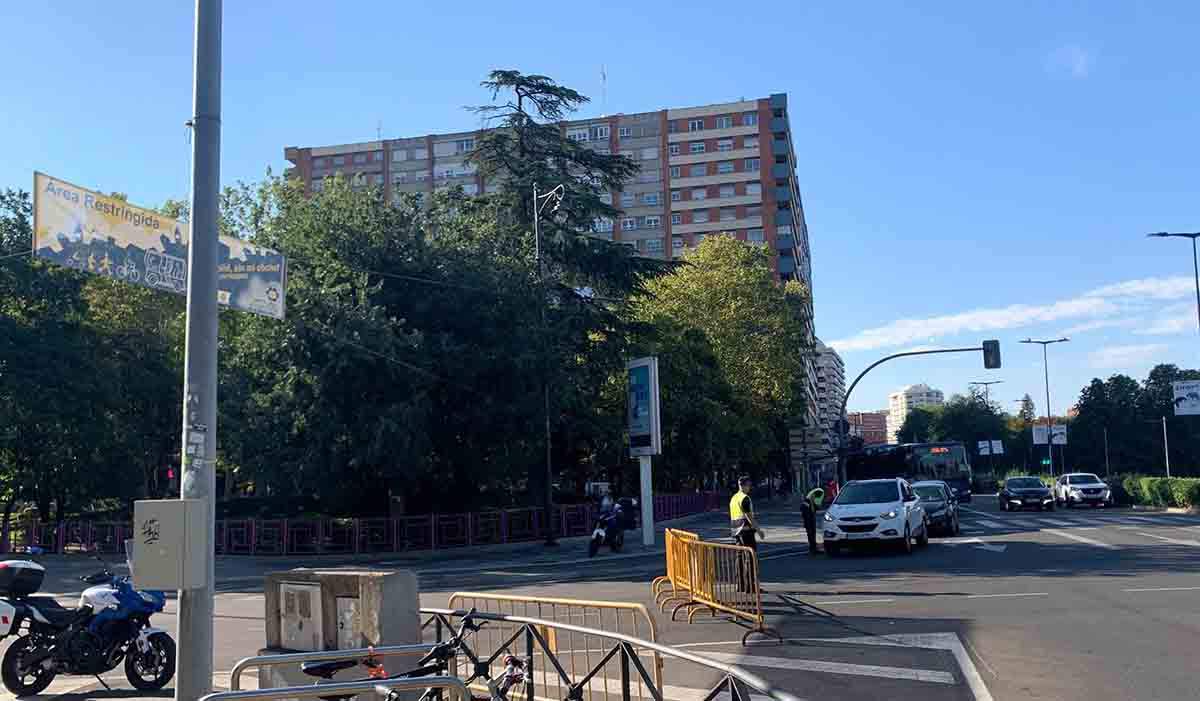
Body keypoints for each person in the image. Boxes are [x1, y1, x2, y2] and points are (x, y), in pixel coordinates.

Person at [730, 476, 759, 592]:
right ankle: (750, 586)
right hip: (746, 531)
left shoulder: (733, 498)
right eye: (749, 485)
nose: (749, 488)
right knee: (750, 558)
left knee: (739, 558)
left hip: (736, 531)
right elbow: (748, 515)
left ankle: (740, 585)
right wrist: (758, 529)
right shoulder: (744, 498)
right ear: (744, 485)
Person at [800, 487, 825, 555]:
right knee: (811, 529)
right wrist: (813, 510)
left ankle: (813, 547)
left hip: (806, 508)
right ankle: (813, 548)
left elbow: (816, 505)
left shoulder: (818, 492)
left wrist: (814, 510)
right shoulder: (821, 492)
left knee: (811, 529)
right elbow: (812, 499)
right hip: (807, 509)